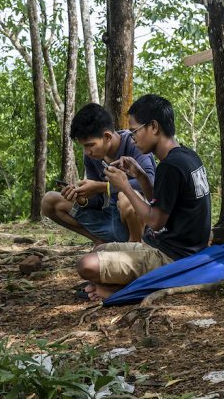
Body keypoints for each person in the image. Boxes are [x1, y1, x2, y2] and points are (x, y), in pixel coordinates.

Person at [77, 94, 212, 301]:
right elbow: (160, 204)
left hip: (173, 257)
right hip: (172, 247)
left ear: (154, 127)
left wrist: (123, 186)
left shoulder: (170, 166)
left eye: (134, 131)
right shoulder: (186, 156)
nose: (132, 138)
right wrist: (140, 176)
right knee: (100, 248)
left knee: (86, 265)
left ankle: (122, 291)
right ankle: (114, 285)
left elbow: (155, 222)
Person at [41, 103, 157, 245]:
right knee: (49, 201)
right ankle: (99, 241)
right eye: (83, 146)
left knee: (125, 196)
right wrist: (82, 198)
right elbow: (99, 201)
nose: (87, 151)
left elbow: (150, 182)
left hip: (140, 223)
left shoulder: (134, 144)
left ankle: (136, 245)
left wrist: (103, 187)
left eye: (90, 145)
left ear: (107, 136)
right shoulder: (91, 157)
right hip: (109, 219)